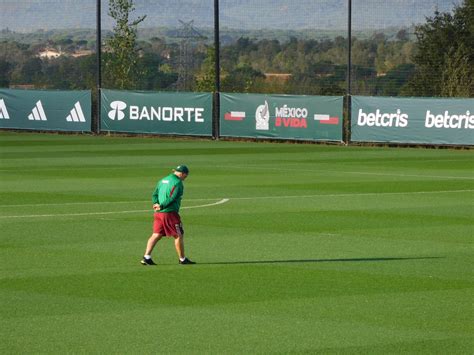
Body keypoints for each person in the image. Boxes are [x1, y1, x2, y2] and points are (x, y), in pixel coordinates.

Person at [141, 165, 195, 265]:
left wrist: (155, 204)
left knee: (156, 234)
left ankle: (146, 257)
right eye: (185, 176)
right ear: (182, 173)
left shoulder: (163, 180)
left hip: (158, 214)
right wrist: (161, 206)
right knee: (178, 235)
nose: (185, 178)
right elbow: (173, 198)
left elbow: (155, 194)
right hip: (169, 213)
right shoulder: (178, 183)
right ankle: (182, 259)